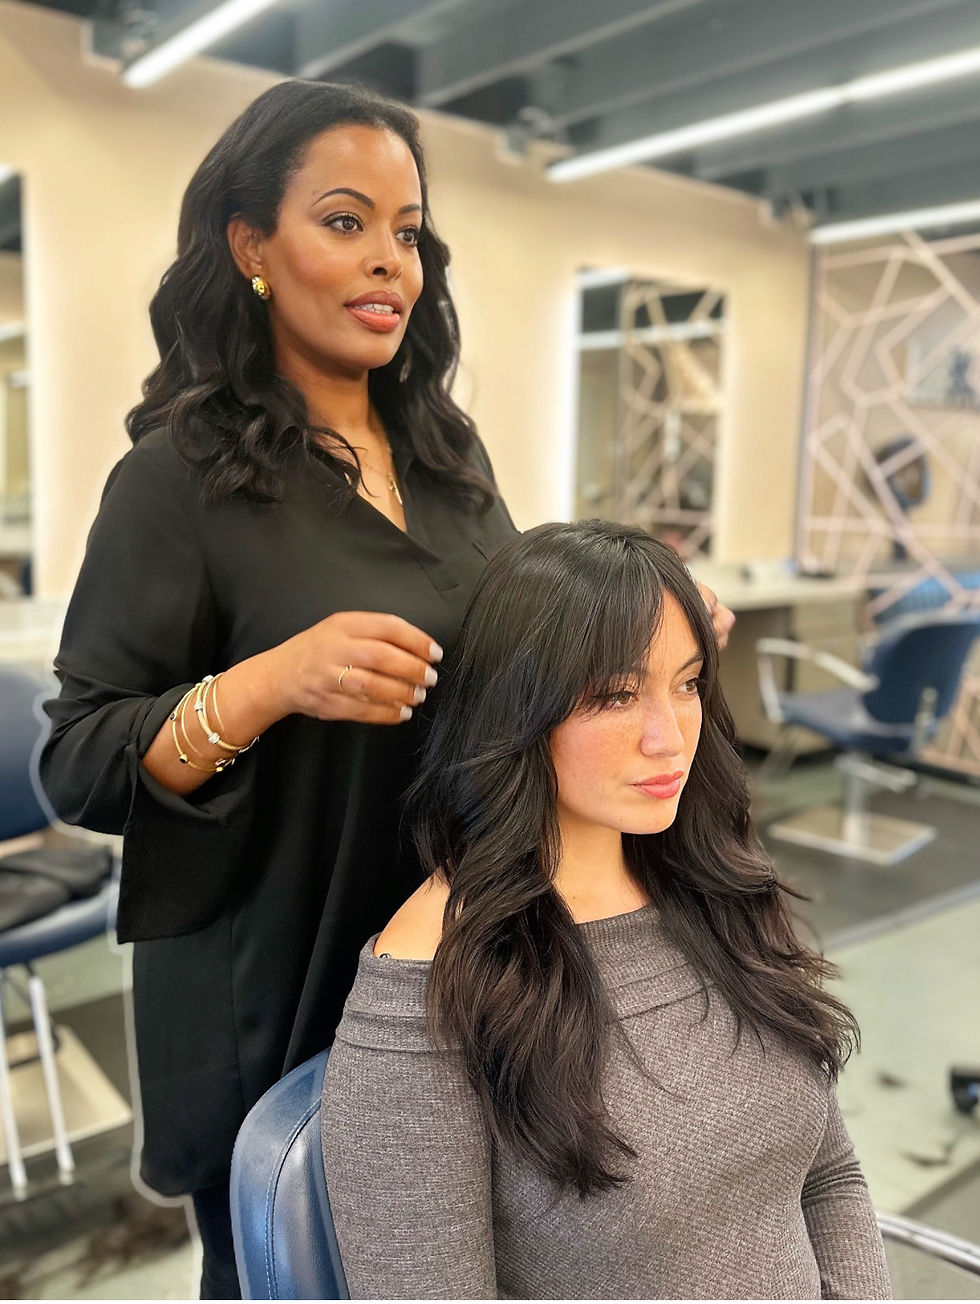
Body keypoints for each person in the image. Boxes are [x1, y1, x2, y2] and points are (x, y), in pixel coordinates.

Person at [39, 80, 733, 1298]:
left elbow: (521, 653)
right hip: (274, 971)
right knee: (289, 1264)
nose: (389, 262)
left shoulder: (448, 458)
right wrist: (262, 686)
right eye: (346, 221)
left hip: (455, 951)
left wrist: (646, 635)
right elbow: (82, 760)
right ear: (250, 246)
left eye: (408, 232)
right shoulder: (173, 482)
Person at [321, 520, 892, 1302]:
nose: (670, 737)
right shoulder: (429, 992)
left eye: (687, 683)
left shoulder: (710, 889)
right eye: (617, 695)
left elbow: (827, 1174)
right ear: (517, 709)